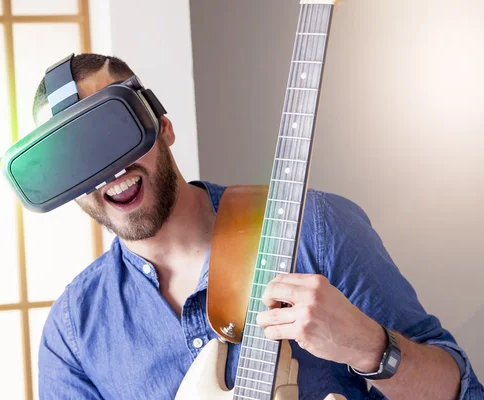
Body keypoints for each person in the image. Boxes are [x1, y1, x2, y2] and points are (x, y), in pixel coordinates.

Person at [34, 53, 483, 400]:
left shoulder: (314, 229)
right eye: (78, 162)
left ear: (163, 126)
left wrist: (371, 348)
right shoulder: (73, 333)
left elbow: (461, 391)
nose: (108, 172)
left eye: (113, 136)